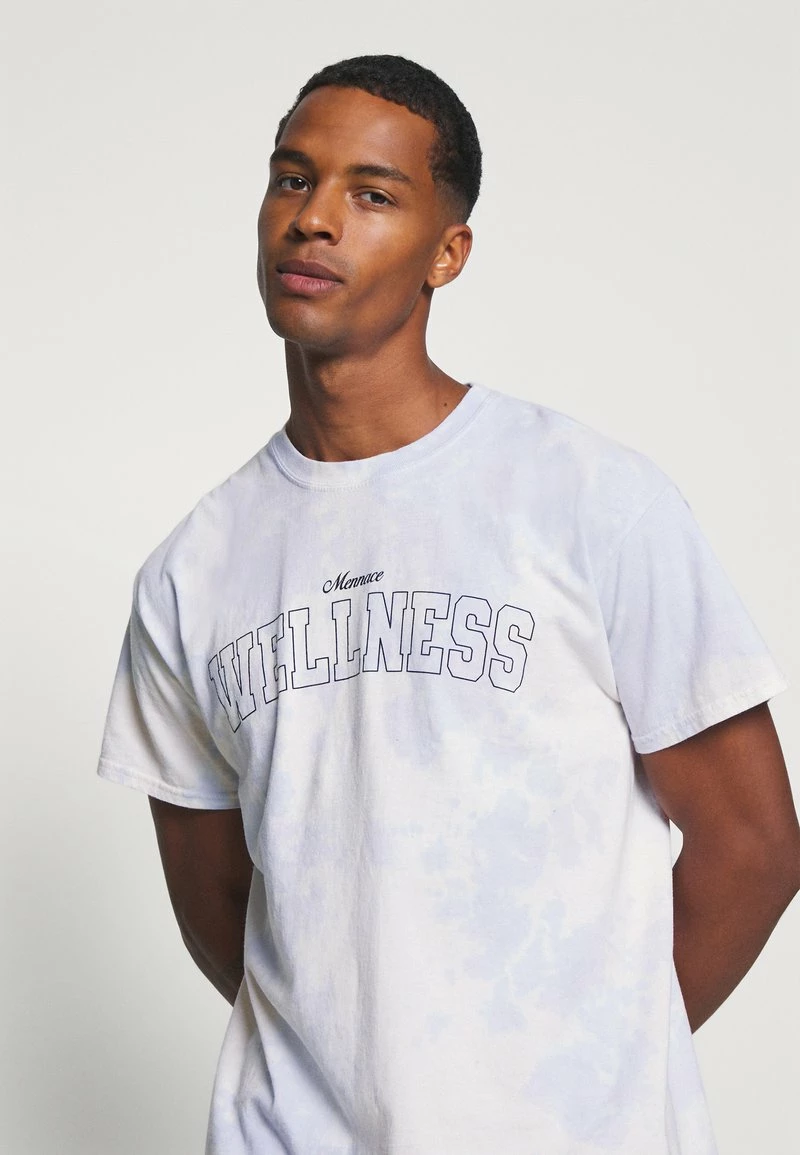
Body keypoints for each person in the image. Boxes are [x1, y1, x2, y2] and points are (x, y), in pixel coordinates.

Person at [96, 53, 800, 1155]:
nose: (314, 218)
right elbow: (221, 908)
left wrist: (587, 1073)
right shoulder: (190, 571)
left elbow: (752, 846)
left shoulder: (587, 501)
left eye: (373, 194)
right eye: (292, 179)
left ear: (447, 252)